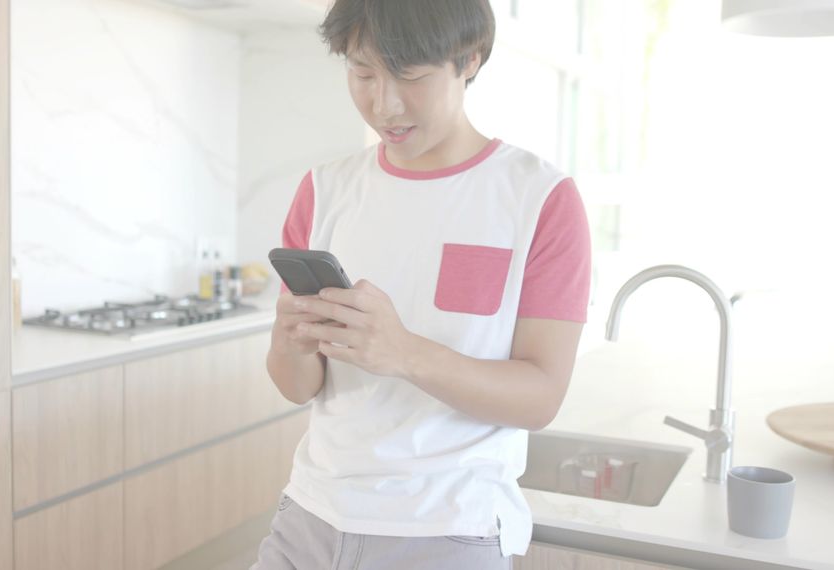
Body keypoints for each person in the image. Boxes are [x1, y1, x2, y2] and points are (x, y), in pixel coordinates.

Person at [253, 0, 591, 568]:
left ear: (470, 59)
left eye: (409, 76)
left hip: (447, 530)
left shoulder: (538, 200)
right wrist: (290, 345)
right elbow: (298, 387)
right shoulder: (325, 190)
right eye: (363, 73)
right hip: (310, 516)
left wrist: (405, 353)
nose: (384, 104)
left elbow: (540, 398)